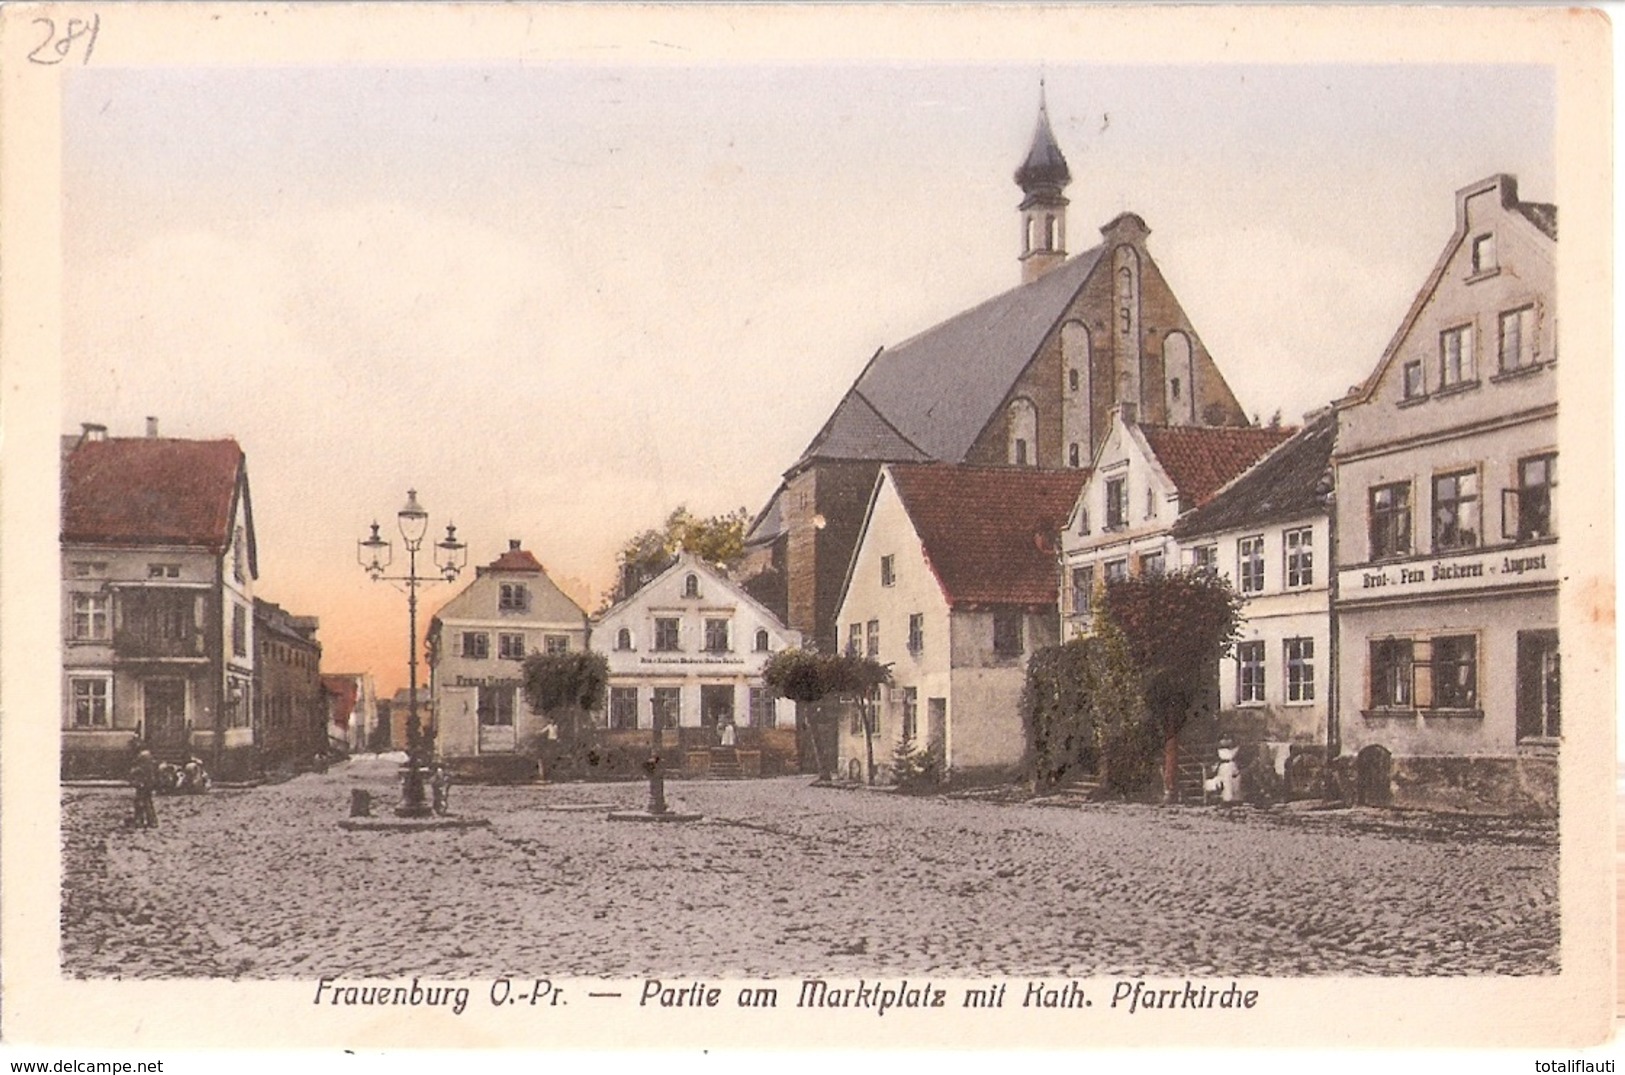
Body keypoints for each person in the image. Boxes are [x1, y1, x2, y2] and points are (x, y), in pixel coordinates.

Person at [128, 748, 159, 829]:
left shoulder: (142, 758)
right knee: (147, 802)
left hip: (143, 785)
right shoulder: (147, 756)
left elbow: (137, 774)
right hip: (148, 785)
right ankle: (152, 821)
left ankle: (140, 821)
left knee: (140, 803)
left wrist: (138, 783)